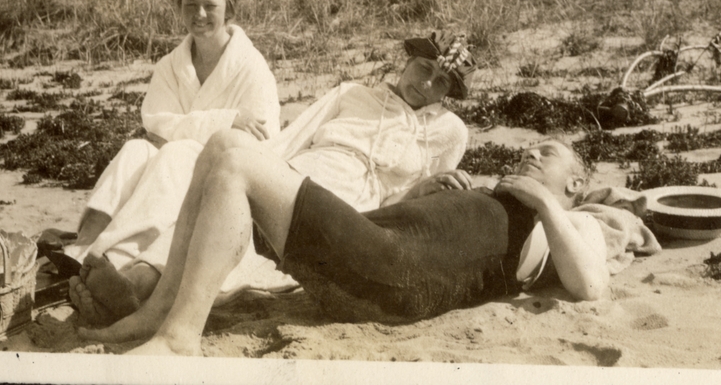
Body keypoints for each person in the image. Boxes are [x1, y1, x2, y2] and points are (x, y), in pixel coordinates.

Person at [67, 31, 476, 325]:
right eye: (424, 68)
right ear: (406, 61)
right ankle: (109, 260)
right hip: (292, 170)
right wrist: (239, 165)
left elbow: (412, 226)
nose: (426, 83)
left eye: (441, 81)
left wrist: (417, 191)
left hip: (352, 206)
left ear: (449, 93)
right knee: (177, 155)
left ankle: (136, 287)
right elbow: (290, 141)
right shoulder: (353, 94)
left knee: (240, 222)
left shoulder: (449, 132)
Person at [78, 139, 612, 354]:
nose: (529, 154)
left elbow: (591, 286)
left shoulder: (572, 220)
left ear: (576, 184)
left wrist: (543, 202)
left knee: (234, 153)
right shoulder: (503, 198)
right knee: (218, 153)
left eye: (546, 153)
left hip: (396, 276)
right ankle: (159, 313)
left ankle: (177, 336)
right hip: (380, 258)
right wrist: (415, 195)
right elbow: (380, 226)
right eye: (531, 148)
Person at [54, 0, 281, 323]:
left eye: (210, 5)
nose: (200, 15)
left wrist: (196, 132)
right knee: (136, 150)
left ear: (229, 9)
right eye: (190, 5)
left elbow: (257, 146)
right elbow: (155, 125)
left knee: (175, 152)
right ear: (179, 8)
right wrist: (226, 120)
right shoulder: (170, 66)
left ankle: (114, 259)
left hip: (225, 180)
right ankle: (83, 248)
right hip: (174, 161)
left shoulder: (252, 69)